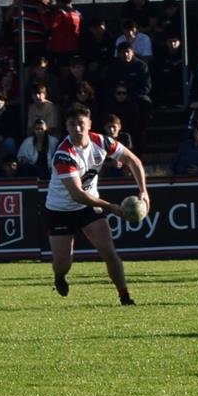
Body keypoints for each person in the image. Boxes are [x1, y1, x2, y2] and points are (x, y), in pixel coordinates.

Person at [45, 103, 150, 306]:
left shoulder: (101, 141)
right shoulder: (64, 154)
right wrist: (111, 207)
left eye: (81, 124)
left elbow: (133, 161)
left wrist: (144, 191)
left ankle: (125, 296)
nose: (77, 129)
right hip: (60, 210)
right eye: (72, 124)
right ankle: (59, 276)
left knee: (108, 251)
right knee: (63, 263)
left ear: (89, 124)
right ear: (66, 127)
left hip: (89, 206)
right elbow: (77, 194)